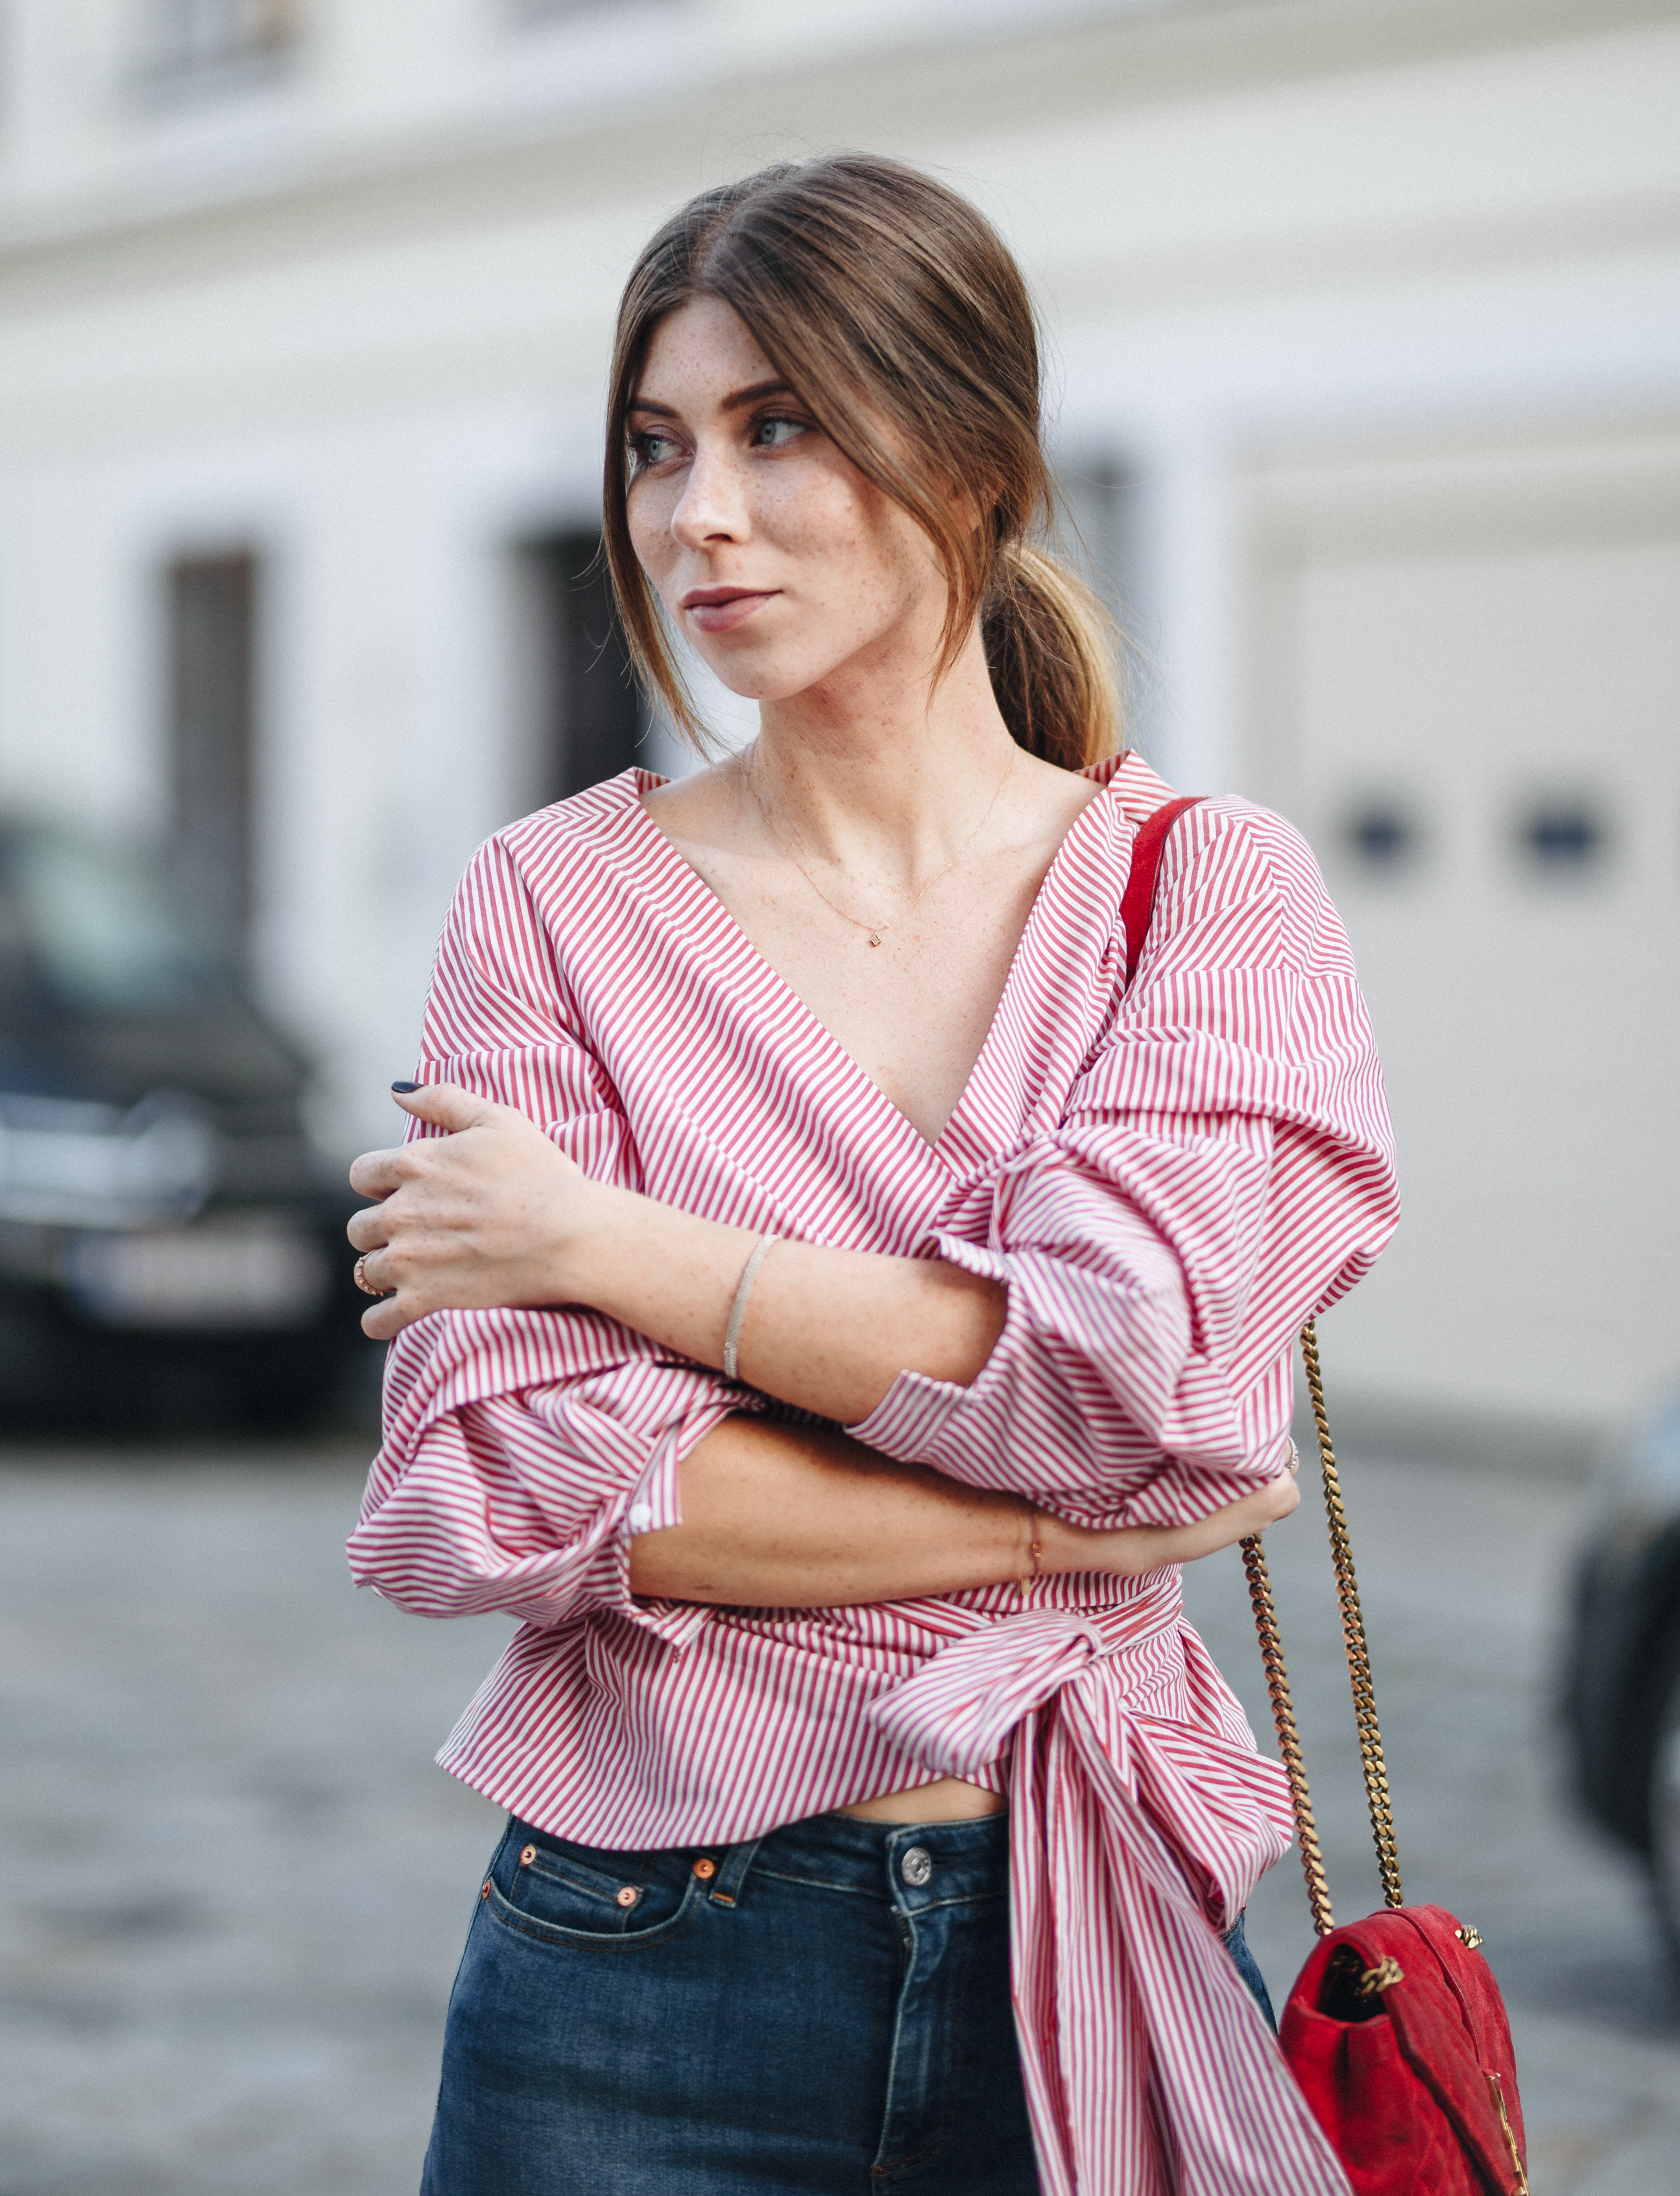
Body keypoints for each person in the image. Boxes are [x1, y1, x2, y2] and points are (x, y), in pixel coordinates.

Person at [345, 155, 1398, 2196]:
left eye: (779, 426)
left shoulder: (1206, 897)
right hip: (641, 1956)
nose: (695, 515)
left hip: (1091, 1914)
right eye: (656, 448)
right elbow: (526, 1474)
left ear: (976, 461)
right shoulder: (550, 905)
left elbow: (1123, 1373)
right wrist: (1065, 1535)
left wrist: (598, 1241)